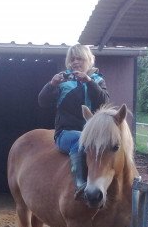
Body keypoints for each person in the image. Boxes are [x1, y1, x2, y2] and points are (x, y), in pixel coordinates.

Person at [38, 44, 110, 199]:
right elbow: (42, 101)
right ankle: (80, 184)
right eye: (72, 59)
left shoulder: (97, 80)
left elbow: (104, 101)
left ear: (88, 60)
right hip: (66, 133)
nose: (75, 62)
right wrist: (52, 84)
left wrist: (89, 81)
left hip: (92, 134)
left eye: (80, 58)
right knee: (79, 140)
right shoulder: (63, 82)